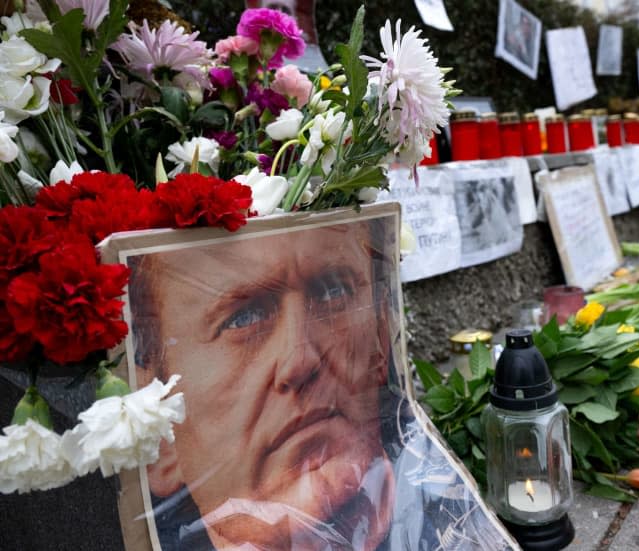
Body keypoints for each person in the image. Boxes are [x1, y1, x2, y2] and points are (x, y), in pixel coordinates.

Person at [124, 212, 514, 550]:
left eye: (333, 291)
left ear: (381, 343)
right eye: (242, 318)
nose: (300, 360)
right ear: (159, 424)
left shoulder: (449, 525)